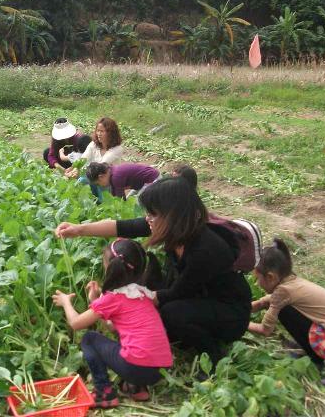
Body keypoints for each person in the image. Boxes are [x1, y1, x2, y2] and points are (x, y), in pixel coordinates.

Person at [56, 177, 252, 368]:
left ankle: (212, 356)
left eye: (152, 214)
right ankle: (186, 335)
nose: (147, 219)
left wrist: (122, 303)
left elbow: (177, 292)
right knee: (153, 303)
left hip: (230, 313)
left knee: (170, 313)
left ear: (173, 215)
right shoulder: (175, 227)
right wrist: (78, 230)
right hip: (200, 296)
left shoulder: (205, 250)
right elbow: (122, 226)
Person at [52, 238, 172, 408]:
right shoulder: (143, 294)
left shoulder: (112, 299)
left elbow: (76, 323)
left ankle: (104, 393)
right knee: (131, 339)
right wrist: (97, 299)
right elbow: (113, 326)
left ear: (109, 267)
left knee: (89, 339)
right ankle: (136, 388)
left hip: (137, 367)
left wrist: (66, 302)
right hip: (159, 370)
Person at [248, 239, 325, 372]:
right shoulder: (291, 282)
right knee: (277, 304)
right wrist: (240, 309)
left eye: (257, 279)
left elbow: (265, 330)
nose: (256, 284)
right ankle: (309, 349)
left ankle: (314, 359)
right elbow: (264, 302)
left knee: (284, 310)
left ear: (270, 277)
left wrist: (239, 323)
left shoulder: (283, 292)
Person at [85, 162, 159, 200]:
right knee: (131, 199)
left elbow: (121, 199)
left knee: (140, 201)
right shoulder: (111, 172)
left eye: (98, 183)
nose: (100, 185)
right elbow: (114, 195)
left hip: (152, 179)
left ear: (100, 177)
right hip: (143, 183)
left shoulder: (116, 177)